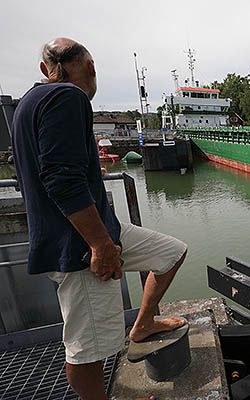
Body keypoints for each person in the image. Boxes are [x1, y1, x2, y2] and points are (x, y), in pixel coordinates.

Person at [11, 37, 188, 400]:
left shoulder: (26, 103)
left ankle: (143, 324)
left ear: (45, 68)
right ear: (90, 67)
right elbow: (62, 179)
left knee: (171, 252)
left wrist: (106, 236)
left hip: (98, 231)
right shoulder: (68, 96)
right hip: (80, 246)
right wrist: (99, 245)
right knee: (86, 349)